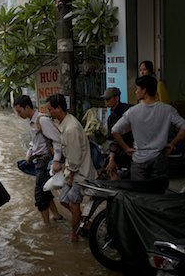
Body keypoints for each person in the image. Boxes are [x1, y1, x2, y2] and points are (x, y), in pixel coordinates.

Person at [111, 76, 185, 181]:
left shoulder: (133, 111)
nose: (136, 92)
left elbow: (114, 131)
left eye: (137, 88)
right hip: (159, 159)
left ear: (144, 90)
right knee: (157, 194)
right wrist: (173, 144)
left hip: (139, 160)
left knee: (140, 195)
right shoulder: (167, 109)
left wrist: (126, 148)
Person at [46, 94, 96, 242]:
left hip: (79, 173)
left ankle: (75, 234)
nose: (49, 112)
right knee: (62, 200)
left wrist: (70, 177)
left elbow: (74, 158)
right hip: (72, 170)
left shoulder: (70, 128)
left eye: (50, 109)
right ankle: (84, 222)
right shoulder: (66, 124)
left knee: (74, 204)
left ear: (58, 108)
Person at [13, 95, 64, 225]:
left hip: (46, 161)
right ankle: (57, 216)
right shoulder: (32, 122)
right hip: (39, 161)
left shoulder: (42, 120)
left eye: (19, 111)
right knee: (45, 190)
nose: (18, 114)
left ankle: (47, 227)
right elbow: (35, 141)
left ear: (27, 107)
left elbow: (57, 140)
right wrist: (29, 152)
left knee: (39, 194)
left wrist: (57, 161)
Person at [101, 87, 133, 179]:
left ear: (117, 98)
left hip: (132, 151)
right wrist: (112, 159)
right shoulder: (111, 118)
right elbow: (112, 140)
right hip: (120, 152)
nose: (106, 102)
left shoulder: (129, 110)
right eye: (105, 99)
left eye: (108, 99)